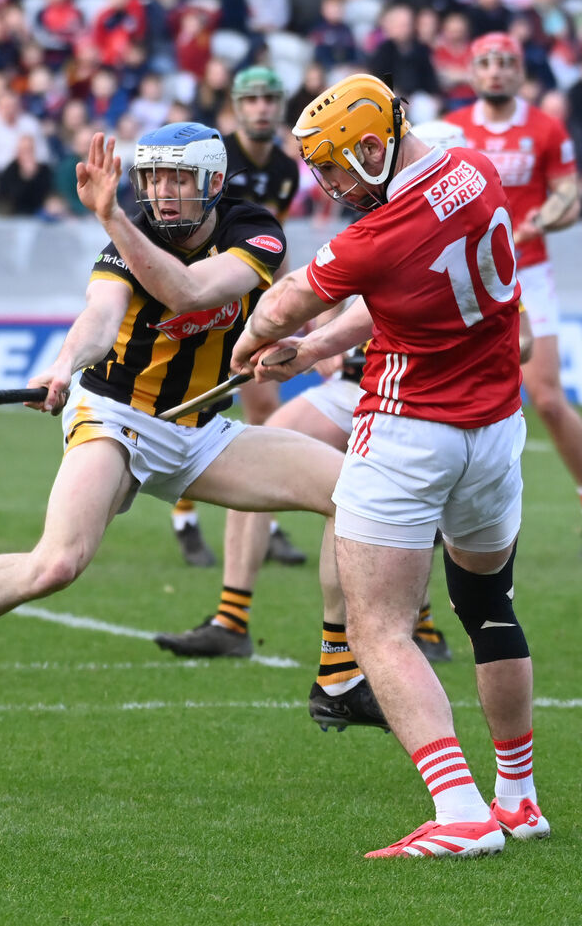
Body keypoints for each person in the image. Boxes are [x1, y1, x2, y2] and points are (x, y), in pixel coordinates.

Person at [0, 122, 384, 737]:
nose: (163, 193)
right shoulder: (126, 236)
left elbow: (194, 291)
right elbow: (100, 317)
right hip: (115, 417)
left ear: (213, 181)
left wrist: (289, 340)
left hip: (198, 430)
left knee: (352, 496)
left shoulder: (253, 231)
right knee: (55, 564)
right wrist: (65, 363)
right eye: (154, 179)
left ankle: (338, 678)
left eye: (178, 179)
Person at [230, 72, 544, 858]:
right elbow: (399, 287)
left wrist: (248, 342)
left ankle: (460, 811)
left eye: (335, 168)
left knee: (376, 628)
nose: (331, 186)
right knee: (489, 608)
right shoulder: (475, 168)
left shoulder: (379, 229)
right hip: (495, 430)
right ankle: (517, 798)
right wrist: (317, 346)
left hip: (409, 432)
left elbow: (286, 297)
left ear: (374, 147)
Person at [155, 120, 535, 666]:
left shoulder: (422, 219)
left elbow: (517, 336)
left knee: (389, 510)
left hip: (412, 401)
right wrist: (319, 345)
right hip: (379, 389)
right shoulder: (452, 195)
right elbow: (360, 299)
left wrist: (272, 338)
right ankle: (233, 618)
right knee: (272, 443)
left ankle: (402, 631)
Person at [445, 33, 582, 560]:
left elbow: (570, 198)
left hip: (530, 275)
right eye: (485, 63)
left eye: (505, 63)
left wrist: (546, 219)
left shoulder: (546, 128)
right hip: (468, 278)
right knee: (452, 398)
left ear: (521, 72)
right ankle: (443, 517)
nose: (495, 72)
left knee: (546, 397)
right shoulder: (452, 129)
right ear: (472, 72)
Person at [166, 66, 306, 569]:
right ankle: (186, 522)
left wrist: (294, 302)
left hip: (253, 302)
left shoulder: (287, 169)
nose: (262, 108)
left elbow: (275, 242)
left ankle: (264, 523)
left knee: (264, 409)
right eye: (252, 100)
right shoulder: (215, 159)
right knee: (191, 410)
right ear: (235, 106)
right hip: (205, 299)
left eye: (270, 98)